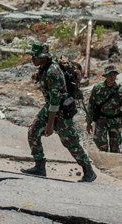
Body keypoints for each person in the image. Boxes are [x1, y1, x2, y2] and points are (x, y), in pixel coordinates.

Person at [21, 42, 96, 182]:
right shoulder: (45, 68)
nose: (32, 59)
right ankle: (39, 167)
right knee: (33, 131)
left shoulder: (52, 71)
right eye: (32, 56)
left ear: (43, 57)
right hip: (50, 107)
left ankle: (88, 171)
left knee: (70, 142)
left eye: (35, 56)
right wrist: (38, 76)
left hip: (60, 111)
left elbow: (56, 102)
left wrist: (50, 125)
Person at [86, 65, 122, 153]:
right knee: (101, 143)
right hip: (101, 120)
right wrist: (88, 122)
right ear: (105, 76)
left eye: (114, 75)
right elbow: (91, 106)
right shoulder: (97, 88)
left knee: (115, 147)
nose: (112, 77)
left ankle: (114, 165)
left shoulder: (121, 90)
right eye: (109, 75)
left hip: (115, 121)